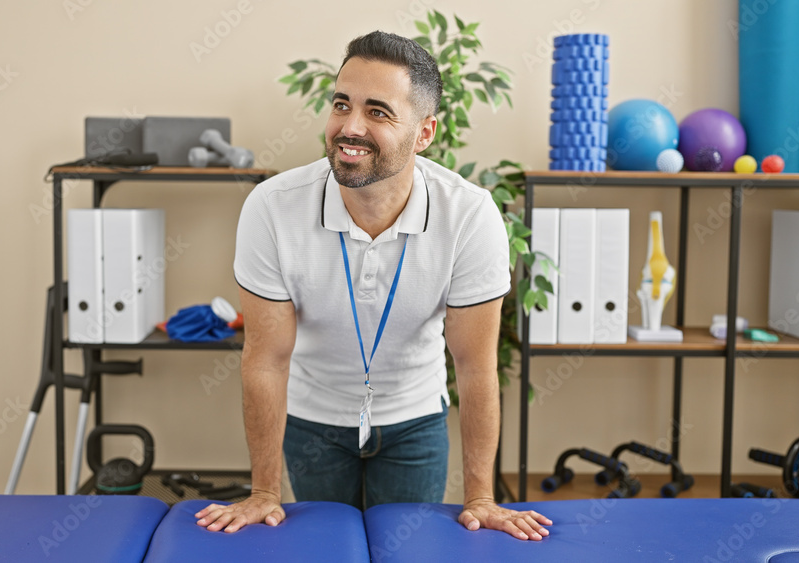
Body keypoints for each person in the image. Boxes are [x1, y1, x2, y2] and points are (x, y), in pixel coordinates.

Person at [196, 30, 551, 541]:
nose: (350, 127)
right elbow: (266, 359)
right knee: (323, 551)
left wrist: (481, 499)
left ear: (424, 133)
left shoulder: (471, 216)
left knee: (404, 552)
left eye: (378, 112)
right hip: (312, 418)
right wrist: (264, 493)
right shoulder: (272, 207)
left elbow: (475, 367)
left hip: (415, 419)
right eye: (342, 104)